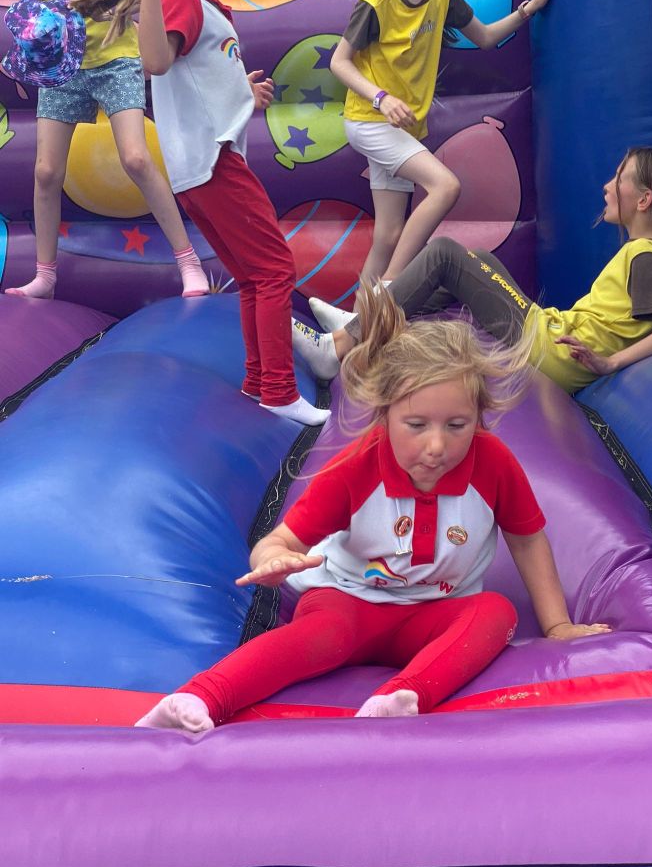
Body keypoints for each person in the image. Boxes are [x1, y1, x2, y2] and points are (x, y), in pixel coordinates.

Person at [135, 286, 610, 731]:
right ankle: (200, 697)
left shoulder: (492, 463)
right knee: (317, 638)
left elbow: (526, 538)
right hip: (348, 603)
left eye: (458, 425)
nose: (437, 445)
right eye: (417, 424)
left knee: (495, 611)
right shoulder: (357, 469)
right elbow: (279, 542)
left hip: (433, 613)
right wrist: (273, 561)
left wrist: (557, 625)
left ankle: (404, 697)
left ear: (480, 417)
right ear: (384, 413)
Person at [71, 0, 328, 426]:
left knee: (257, 277)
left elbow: (196, 77)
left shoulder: (193, 2)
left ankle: (260, 381)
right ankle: (279, 390)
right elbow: (158, 63)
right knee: (276, 271)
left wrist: (245, 94)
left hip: (201, 167)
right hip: (215, 166)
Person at [5, 0, 209, 301]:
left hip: (114, 53)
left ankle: (189, 262)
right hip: (60, 59)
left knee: (136, 158)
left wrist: (91, 2)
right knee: (44, 171)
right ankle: (45, 275)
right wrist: (35, 11)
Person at [295, 147, 652, 395]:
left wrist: (611, 363)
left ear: (643, 199)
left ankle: (339, 347)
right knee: (477, 258)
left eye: (619, 178)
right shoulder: (643, 253)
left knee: (445, 254)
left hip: (552, 352)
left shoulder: (646, 256)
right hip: (552, 338)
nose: (607, 186)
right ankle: (366, 320)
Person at [331, 0, 556, 289]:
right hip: (370, 120)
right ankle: (391, 289)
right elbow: (340, 62)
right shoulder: (377, 1)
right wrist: (382, 99)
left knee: (388, 236)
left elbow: (485, 37)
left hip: (402, 130)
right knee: (445, 186)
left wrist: (529, 9)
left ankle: (356, 327)